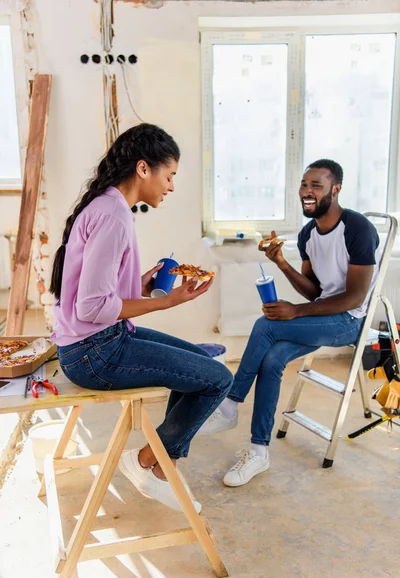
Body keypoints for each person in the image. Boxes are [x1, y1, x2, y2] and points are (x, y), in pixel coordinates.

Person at [50, 123, 233, 513]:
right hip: (93, 354)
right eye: (170, 176)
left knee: (206, 363)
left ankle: (163, 465)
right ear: (144, 169)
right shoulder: (114, 217)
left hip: (100, 341)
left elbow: (99, 292)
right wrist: (167, 303)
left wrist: (143, 284)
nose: (170, 186)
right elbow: (92, 308)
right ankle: (149, 461)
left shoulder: (108, 206)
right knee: (218, 379)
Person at [199, 159, 379, 487]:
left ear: (335, 190)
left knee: (266, 325)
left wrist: (296, 311)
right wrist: (281, 263)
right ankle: (258, 451)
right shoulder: (309, 233)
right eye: (304, 185)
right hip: (324, 314)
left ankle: (229, 403)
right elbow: (314, 289)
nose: (306, 192)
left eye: (316, 186)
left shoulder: (358, 229)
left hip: (349, 321)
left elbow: (354, 299)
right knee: (271, 359)